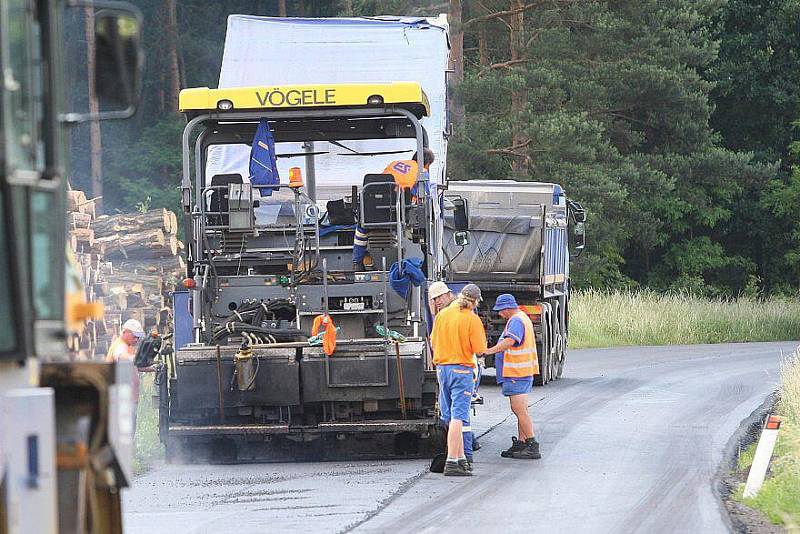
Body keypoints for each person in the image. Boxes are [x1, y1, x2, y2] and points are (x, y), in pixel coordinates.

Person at [430, 283, 487, 476]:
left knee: (450, 416)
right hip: (461, 370)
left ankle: (461, 458)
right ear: (475, 301)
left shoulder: (442, 315)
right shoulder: (471, 319)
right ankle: (452, 462)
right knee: (459, 417)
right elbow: (479, 350)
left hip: (442, 370)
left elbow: (433, 341)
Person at [353, 148, 435, 268]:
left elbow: (379, 185)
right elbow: (424, 197)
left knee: (361, 228)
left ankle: (356, 262)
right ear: (427, 164)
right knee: (410, 230)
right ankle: (402, 263)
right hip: (398, 213)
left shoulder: (394, 164)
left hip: (375, 211)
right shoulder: (422, 172)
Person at [483, 294, 541, 460]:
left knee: (518, 409)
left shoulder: (516, 320)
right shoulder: (521, 317)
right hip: (521, 372)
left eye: (500, 311)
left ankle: (532, 443)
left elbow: (509, 341)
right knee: (521, 409)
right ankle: (522, 443)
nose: (500, 314)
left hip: (517, 372)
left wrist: (489, 351)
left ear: (507, 308)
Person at [106, 319, 150, 434]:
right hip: (121, 402)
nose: (137, 339)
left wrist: (153, 367)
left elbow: (134, 365)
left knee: (128, 436)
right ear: (125, 332)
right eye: (134, 336)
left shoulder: (128, 346)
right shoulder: (120, 346)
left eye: (138, 337)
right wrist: (135, 358)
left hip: (128, 402)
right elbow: (121, 356)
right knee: (124, 436)